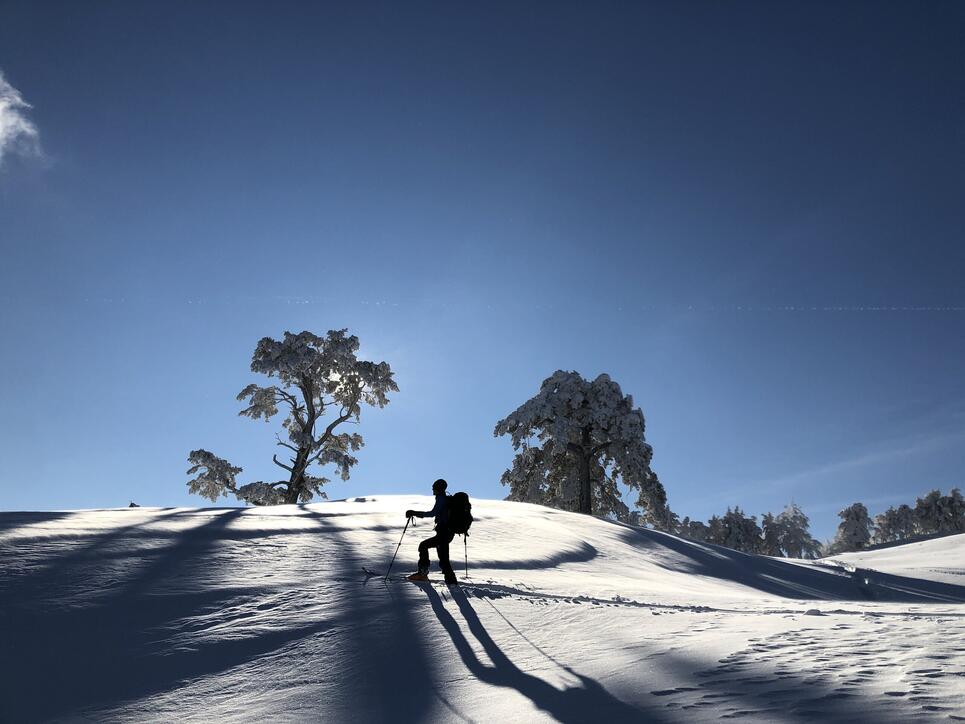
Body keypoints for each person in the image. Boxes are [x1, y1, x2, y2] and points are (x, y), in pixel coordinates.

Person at [405, 478, 458, 584]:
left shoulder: (441, 499)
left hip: (444, 533)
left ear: (438, 488)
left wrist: (414, 512)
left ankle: (422, 574)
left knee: (424, 546)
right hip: (446, 533)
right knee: (443, 558)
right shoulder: (444, 499)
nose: (432, 489)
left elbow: (432, 513)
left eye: (434, 487)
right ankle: (451, 581)